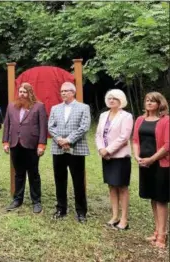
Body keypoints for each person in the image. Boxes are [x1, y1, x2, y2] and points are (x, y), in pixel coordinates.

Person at [48, 82, 91, 223]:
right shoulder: (55, 108)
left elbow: (84, 127)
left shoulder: (83, 108)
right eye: (61, 91)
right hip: (58, 148)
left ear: (73, 92)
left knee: (78, 181)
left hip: (76, 149)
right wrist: (59, 139)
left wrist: (69, 140)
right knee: (59, 179)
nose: (63, 93)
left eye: (66, 91)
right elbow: (51, 126)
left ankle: (81, 211)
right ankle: (61, 208)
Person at [2, 83, 47, 213]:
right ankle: (17, 199)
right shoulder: (12, 106)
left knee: (33, 174)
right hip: (15, 144)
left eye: (24, 92)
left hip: (31, 145)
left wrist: (41, 145)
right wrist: (5, 142)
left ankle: (36, 201)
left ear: (30, 93)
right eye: (20, 91)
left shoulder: (39, 106)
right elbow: (7, 125)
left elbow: (43, 127)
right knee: (19, 174)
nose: (22, 94)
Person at [132, 92, 169, 248]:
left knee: (161, 199)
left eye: (153, 101)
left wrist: (152, 159)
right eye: (147, 100)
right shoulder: (140, 120)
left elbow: (167, 145)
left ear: (160, 104)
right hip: (144, 163)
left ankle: (162, 234)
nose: (149, 103)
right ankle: (156, 230)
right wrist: (137, 156)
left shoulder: (166, 120)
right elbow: (135, 140)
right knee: (153, 197)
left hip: (160, 163)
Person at [95, 89, 133, 230]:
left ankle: (124, 219)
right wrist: (101, 149)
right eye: (109, 98)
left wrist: (108, 149)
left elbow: (124, 137)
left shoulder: (126, 116)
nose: (111, 100)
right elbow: (98, 134)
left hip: (120, 156)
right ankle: (114, 216)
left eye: (115, 98)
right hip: (106, 156)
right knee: (111, 186)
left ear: (121, 100)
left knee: (122, 187)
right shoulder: (104, 115)